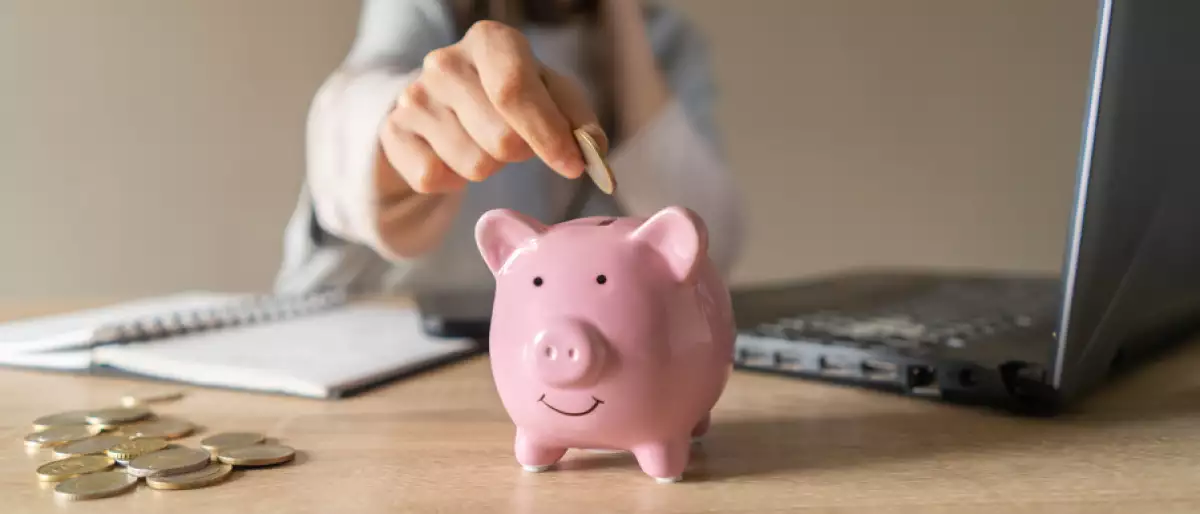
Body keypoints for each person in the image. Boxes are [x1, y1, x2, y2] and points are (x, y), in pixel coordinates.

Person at [274, 0, 744, 296]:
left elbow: (707, 246)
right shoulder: (431, 10)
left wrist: (623, 20)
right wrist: (396, 134)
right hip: (377, 333)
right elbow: (355, 103)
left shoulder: (668, 41)